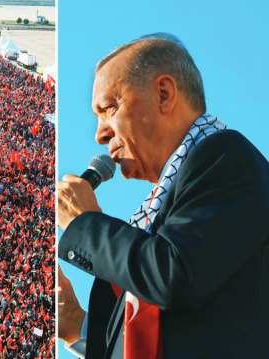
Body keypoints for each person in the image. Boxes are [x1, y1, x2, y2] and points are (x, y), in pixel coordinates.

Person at [57, 33, 269, 359]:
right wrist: (77, 328)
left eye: (110, 107)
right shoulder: (156, 213)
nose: (100, 134)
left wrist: (86, 224)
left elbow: (174, 275)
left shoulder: (227, 157)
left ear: (164, 94)